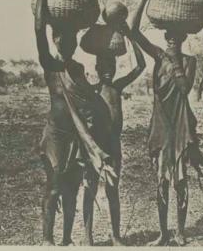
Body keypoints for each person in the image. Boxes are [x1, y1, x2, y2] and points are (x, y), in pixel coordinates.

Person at [34, 0, 116, 246]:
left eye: (70, 39)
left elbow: (89, 102)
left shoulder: (78, 70)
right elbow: (38, 32)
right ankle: (48, 239)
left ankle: (67, 239)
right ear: (55, 39)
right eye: (61, 38)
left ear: (74, 41)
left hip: (76, 137)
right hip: (56, 136)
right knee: (54, 188)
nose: (66, 42)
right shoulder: (51, 65)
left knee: (71, 192)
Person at [131, 0, 203, 246]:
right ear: (165, 36)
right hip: (162, 126)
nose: (173, 38)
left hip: (181, 126)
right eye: (169, 35)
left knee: (181, 182)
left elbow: (185, 89)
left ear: (184, 36)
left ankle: (180, 231)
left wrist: (175, 62)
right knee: (162, 182)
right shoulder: (157, 55)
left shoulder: (190, 62)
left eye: (177, 35)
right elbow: (133, 31)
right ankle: (164, 232)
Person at [82, 24, 146, 246]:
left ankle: (116, 236)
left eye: (112, 64)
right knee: (89, 190)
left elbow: (141, 66)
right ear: (97, 67)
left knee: (113, 191)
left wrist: (131, 37)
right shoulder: (91, 91)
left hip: (113, 146)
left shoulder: (117, 87)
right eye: (103, 65)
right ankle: (88, 238)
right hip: (95, 148)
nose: (108, 68)